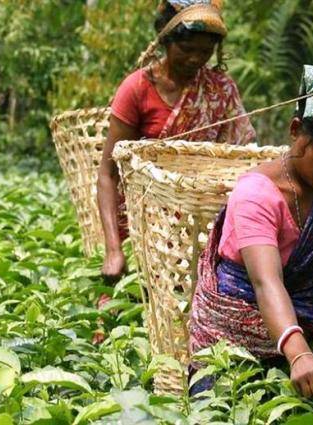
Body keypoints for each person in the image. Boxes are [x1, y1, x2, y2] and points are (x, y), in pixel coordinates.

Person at [189, 65, 313, 398]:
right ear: (296, 130)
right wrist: (299, 354)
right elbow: (265, 282)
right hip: (242, 333)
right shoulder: (257, 194)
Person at [96, 0, 256, 290]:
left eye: (205, 51)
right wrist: (113, 249)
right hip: (145, 226)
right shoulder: (138, 88)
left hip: (202, 223)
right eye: (186, 49)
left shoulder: (220, 90)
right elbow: (108, 175)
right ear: (165, 40)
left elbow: (241, 158)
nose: (195, 59)